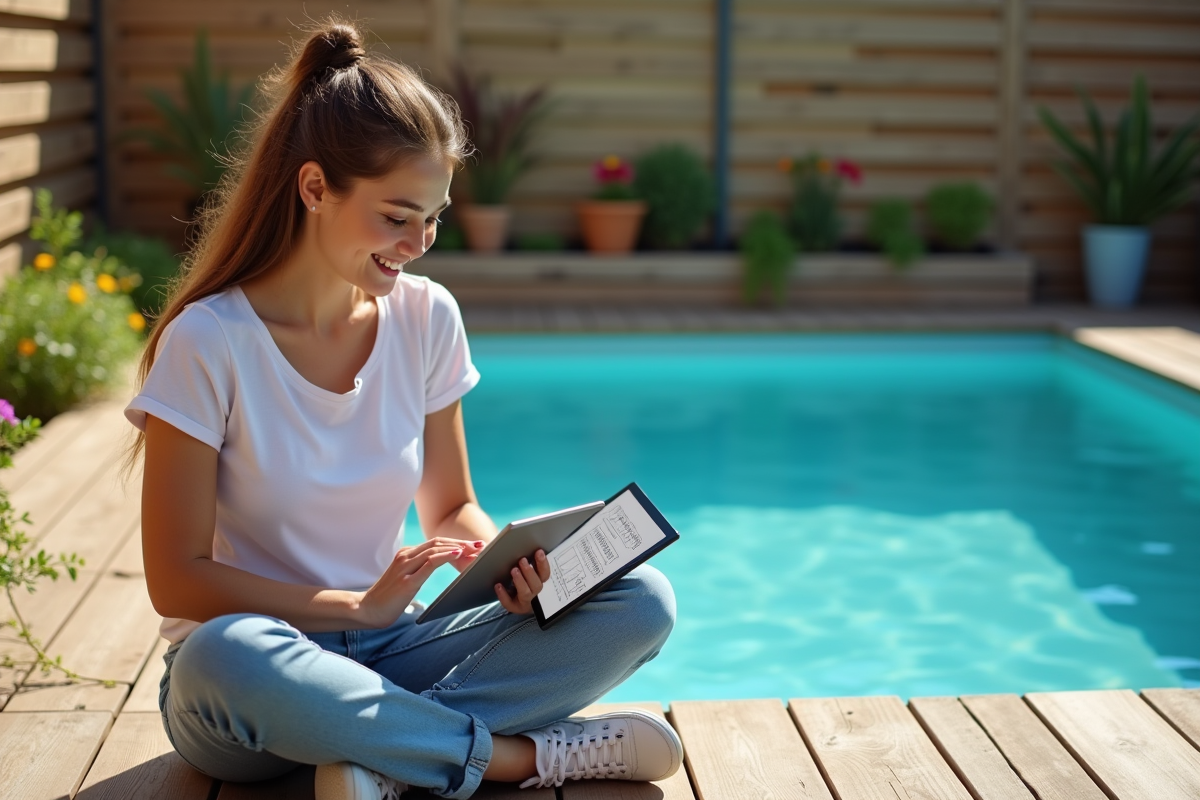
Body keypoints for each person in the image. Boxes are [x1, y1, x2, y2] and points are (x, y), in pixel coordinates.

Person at [122, 20, 680, 800]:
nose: (420, 242)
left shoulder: (426, 317)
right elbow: (176, 581)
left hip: (393, 645)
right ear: (315, 188)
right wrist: (351, 603)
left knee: (639, 600)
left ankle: (382, 757)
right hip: (256, 677)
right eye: (396, 216)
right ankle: (530, 759)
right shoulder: (209, 341)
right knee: (226, 655)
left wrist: (514, 571)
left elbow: (450, 506)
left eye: (435, 217)